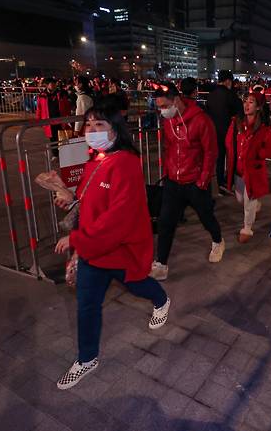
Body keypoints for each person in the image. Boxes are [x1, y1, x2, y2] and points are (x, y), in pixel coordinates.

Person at [54, 95, 170, 390]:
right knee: (87, 305)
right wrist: (70, 198)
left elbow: (117, 218)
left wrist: (76, 238)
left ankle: (161, 300)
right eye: (88, 124)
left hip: (117, 248)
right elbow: (90, 196)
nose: (91, 130)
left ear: (115, 129)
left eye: (99, 124)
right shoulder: (95, 159)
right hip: (94, 250)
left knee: (137, 284)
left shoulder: (127, 164)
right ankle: (87, 358)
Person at [149, 82, 225, 281]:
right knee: (165, 222)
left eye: (165, 106)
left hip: (195, 182)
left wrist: (203, 179)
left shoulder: (201, 120)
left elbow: (211, 152)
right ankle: (161, 264)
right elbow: (168, 148)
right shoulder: (168, 122)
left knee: (206, 217)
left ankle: (218, 240)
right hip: (173, 182)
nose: (162, 111)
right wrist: (167, 172)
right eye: (159, 108)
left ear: (176, 100)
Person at [225, 92, 271, 243]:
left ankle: (247, 228)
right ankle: (255, 204)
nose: (246, 105)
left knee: (249, 202)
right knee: (240, 198)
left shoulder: (264, 129)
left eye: (251, 102)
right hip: (238, 169)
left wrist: (258, 153)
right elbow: (228, 141)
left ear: (259, 107)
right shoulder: (236, 123)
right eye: (245, 101)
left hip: (253, 171)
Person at [206, 70, 244, 195]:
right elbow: (238, 112)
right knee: (232, 158)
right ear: (228, 81)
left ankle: (220, 183)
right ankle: (229, 183)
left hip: (214, 132)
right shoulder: (230, 95)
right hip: (229, 132)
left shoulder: (211, 95)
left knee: (219, 159)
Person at [36, 78, 72, 158]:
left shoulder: (61, 94)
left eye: (53, 83)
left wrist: (68, 117)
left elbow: (67, 106)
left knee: (62, 138)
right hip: (49, 120)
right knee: (52, 139)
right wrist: (38, 120)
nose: (52, 85)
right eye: (50, 84)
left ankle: (64, 155)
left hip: (60, 120)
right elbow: (39, 108)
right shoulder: (42, 95)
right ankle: (55, 155)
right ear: (47, 85)